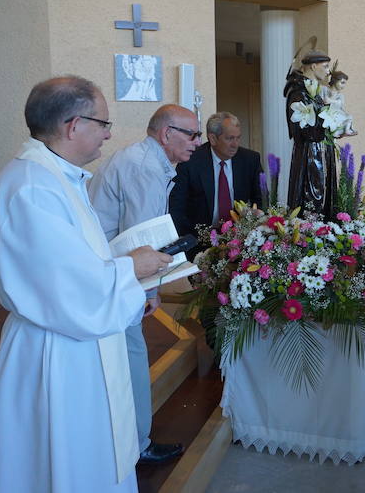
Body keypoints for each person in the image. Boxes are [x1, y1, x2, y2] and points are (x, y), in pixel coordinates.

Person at [0, 76, 173, 492]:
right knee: (68, 466)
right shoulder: (32, 189)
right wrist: (131, 269)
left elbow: (72, 269)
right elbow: (68, 292)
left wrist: (125, 275)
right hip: (58, 353)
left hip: (73, 341)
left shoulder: (56, 179)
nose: (108, 132)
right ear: (73, 125)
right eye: (103, 122)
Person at [89, 104, 201, 465]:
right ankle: (135, 445)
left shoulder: (146, 161)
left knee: (126, 360)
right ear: (166, 134)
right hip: (114, 276)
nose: (197, 143)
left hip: (109, 270)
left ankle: (124, 442)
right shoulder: (144, 168)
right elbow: (142, 243)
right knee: (132, 361)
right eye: (192, 134)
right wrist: (149, 292)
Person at [169, 112, 263, 241]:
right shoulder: (190, 161)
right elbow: (176, 207)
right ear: (212, 139)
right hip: (199, 239)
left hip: (241, 238)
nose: (235, 144)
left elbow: (261, 200)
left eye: (238, 138)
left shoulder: (250, 160)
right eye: (230, 138)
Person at [285, 48, 337, 218]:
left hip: (321, 151)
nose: (329, 71)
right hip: (310, 156)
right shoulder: (299, 92)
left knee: (325, 200)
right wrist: (325, 114)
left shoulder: (313, 91)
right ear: (314, 66)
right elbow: (305, 131)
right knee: (312, 201)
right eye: (326, 66)